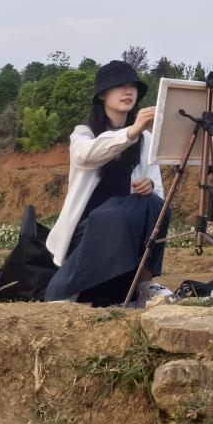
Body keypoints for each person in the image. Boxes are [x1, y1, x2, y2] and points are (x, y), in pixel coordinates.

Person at [45, 60, 170, 306]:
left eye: (133, 86)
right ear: (102, 94)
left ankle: (144, 284)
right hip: (89, 229)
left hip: (124, 226)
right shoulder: (84, 133)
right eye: (120, 86)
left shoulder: (145, 139)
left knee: (157, 206)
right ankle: (63, 290)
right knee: (114, 214)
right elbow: (86, 155)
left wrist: (149, 186)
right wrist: (131, 132)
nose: (128, 91)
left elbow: (158, 189)